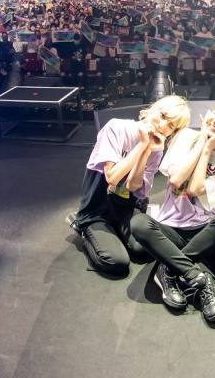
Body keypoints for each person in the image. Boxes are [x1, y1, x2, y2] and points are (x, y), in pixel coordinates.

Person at [130, 97, 215, 322]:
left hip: (204, 232)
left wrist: (208, 148)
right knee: (139, 224)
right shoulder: (185, 136)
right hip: (170, 227)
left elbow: (195, 189)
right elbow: (176, 180)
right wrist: (202, 141)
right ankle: (199, 277)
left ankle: (168, 270)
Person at [68, 95, 191, 277]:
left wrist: (148, 150)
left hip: (126, 209)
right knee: (116, 262)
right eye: (163, 116)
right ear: (152, 109)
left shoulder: (156, 150)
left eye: (171, 126)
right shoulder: (117, 128)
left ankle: (115, 232)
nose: (163, 125)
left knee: (145, 251)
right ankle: (82, 226)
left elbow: (134, 187)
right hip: (97, 210)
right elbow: (112, 177)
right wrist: (141, 145)